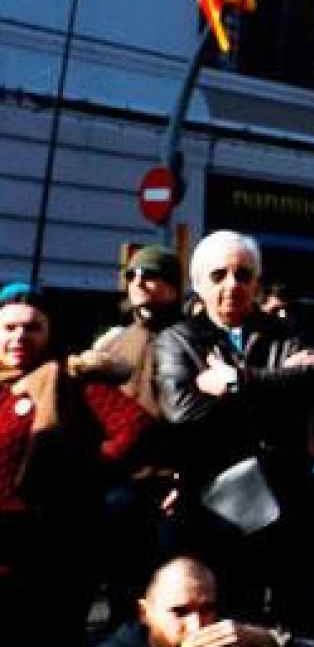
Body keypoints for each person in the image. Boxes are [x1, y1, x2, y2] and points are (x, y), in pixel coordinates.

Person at [152, 230, 314, 637]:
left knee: (302, 627)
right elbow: (183, 413)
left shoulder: (286, 331)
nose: (232, 285)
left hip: (290, 501)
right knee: (231, 621)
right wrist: (278, 390)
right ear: (199, 284)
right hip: (219, 507)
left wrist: (237, 382)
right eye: (219, 275)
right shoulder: (176, 340)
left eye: (243, 274)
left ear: (257, 282)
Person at [0, 289, 150, 647]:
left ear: (49, 333)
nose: (19, 337)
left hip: (49, 552)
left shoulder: (68, 379)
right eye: (9, 328)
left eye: (33, 328)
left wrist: (84, 473)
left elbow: (135, 428)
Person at [67, 245, 185, 620]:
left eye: (149, 274)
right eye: (132, 275)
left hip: (171, 488)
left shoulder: (190, 338)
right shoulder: (113, 342)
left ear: (172, 284)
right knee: (123, 593)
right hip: (119, 487)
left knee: (170, 596)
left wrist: (186, 476)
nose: (138, 282)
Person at [66, 557, 314, 647]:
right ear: (145, 613)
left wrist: (270, 643)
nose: (197, 625)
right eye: (180, 612)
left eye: (207, 609)